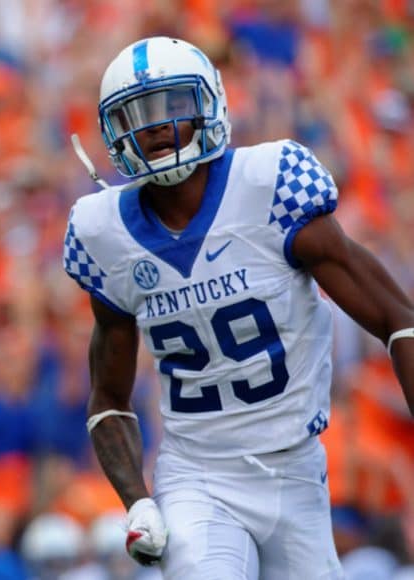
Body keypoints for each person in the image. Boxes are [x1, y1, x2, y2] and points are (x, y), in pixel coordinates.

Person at [63, 36, 414, 578]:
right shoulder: (103, 233)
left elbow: (397, 320)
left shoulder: (269, 186)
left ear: (210, 103)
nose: (154, 126)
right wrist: (137, 499)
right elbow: (108, 398)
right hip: (198, 476)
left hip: (298, 468)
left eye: (170, 106)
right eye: (138, 113)